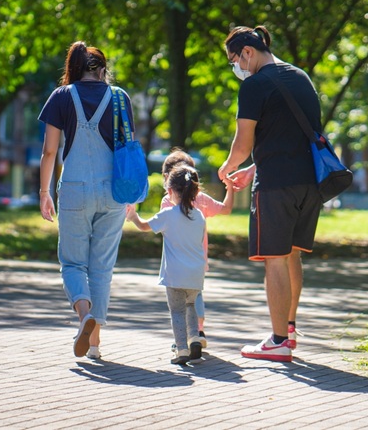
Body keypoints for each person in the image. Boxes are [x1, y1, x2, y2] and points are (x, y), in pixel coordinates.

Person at [217, 25, 324, 363]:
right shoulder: (301, 76)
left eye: (234, 60)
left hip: (276, 186)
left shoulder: (255, 85)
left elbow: (243, 144)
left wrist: (228, 167)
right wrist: (253, 167)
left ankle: (278, 341)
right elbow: (292, 134)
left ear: (247, 52)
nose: (237, 68)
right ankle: (289, 329)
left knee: (274, 259)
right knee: (292, 253)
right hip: (310, 182)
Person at [38, 41, 136, 360]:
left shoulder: (62, 96)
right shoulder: (120, 97)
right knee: (101, 266)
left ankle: (83, 316)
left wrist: (45, 193)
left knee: (73, 262)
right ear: (103, 70)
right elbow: (128, 148)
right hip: (113, 192)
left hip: (75, 189)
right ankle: (94, 344)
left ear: (74, 68)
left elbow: (50, 151)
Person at [125, 164, 208, 365]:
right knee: (190, 306)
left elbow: (145, 226)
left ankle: (182, 350)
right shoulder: (200, 216)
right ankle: (194, 338)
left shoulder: (168, 214)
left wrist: (134, 216)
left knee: (177, 311)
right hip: (196, 275)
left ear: (170, 191)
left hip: (175, 275)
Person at [160, 149, 235, 349]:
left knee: (177, 305)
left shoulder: (167, 201)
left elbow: (161, 228)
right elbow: (226, 209)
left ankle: (183, 342)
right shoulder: (201, 199)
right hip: (198, 261)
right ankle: (198, 332)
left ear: (168, 180)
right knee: (195, 296)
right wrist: (230, 189)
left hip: (175, 264)